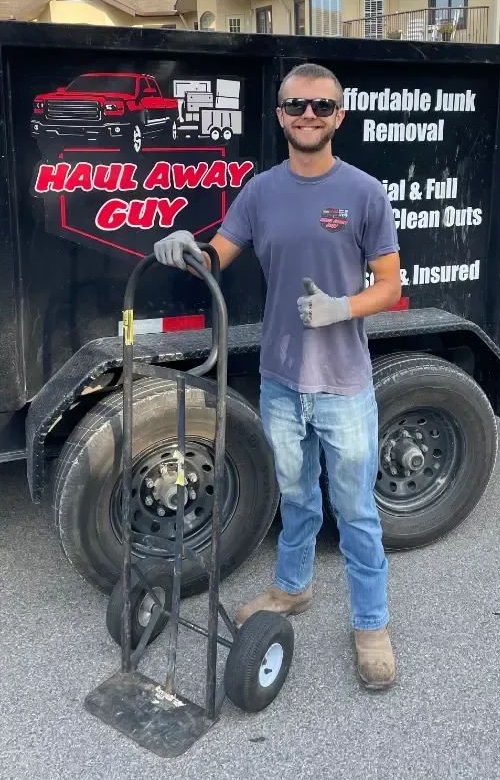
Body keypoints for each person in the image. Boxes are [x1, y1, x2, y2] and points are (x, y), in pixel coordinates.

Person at [154, 63, 401, 690]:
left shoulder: (365, 192)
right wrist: (187, 249)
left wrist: (342, 307)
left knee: (356, 513)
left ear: (339, 116)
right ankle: (293, 590)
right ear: (281, 115)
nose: (309, 115)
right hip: (283, 384)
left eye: (322, 106)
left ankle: (371, 625)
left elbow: (391, 285)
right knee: (295, 498)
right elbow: (216, 258)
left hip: (345, 385)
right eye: (297, 106)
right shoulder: (261, 192)